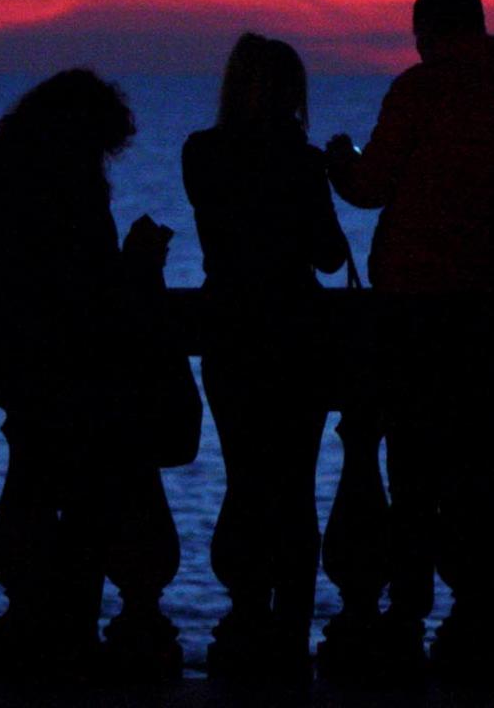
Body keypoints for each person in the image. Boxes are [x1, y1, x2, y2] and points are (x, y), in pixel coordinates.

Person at [325, 0, 494, 681]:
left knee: (413, 468)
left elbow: (371, 187)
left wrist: (336, 160)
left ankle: (408, 610)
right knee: (484, 468)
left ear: (428, 30)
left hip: (416, 309)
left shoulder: (421, 90)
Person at [0, 68, 199, 681]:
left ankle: (43, 640)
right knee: (90, 513)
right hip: (83, 380)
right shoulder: (70, 189)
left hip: (29, 374)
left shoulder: (3, 184)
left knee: (40, 503)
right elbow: (88, 291)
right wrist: (140, 262)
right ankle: (72, 641)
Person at [182, 33, 350, 681]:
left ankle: (246, 617)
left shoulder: (200, 153)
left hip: (230, 332)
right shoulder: (301, 162)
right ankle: (290, 629)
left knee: (245, 480)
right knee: (296, 487)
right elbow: (330, 256)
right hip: (298, 336)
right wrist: (329, 174)